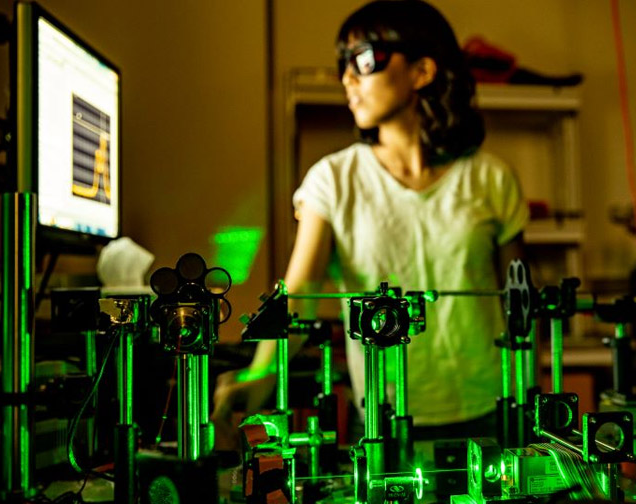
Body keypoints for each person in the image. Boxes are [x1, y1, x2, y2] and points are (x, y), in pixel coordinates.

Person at [212, 0, 528, 447]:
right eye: (344, 64)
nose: (347, 78)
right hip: (385, 422)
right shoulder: (333, 181)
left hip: (494, 416)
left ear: (422, 71)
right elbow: (299, 294)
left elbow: (520, 308)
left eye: (365, 59)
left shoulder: (491, 178)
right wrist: (261, 376)